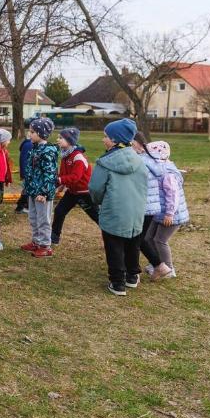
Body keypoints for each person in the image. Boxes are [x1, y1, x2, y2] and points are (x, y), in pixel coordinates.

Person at [89, 118, 158, 296]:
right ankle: (132, 276)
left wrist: (98, 200)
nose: (103, 139)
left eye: (106, 136)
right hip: (136, 212)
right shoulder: (140, 161)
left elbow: (95, 189)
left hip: (114, 211)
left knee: (114, 246)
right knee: (132, 243)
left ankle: (117, 282)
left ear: (115, 139)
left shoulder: (105, 162)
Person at [142, 141, 188, 279]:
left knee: (160, 240)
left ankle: (169, 268)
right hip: (159, 213)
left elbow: (172, 195)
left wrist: (170, 213)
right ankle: (156, 264)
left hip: (171, 215)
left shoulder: (167, 173)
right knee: (148, 238)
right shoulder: (159, 169)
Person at [132, 132, 174, 280]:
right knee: (139, 239)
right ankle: (157, 267)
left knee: (137, 239)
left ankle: (157, 267)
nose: (130, 147)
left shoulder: (140, 160)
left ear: (138, 143)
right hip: (150, 207)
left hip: (143, 206)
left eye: (132, 143)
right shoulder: (151, 159)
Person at [50, 127, 99, 245]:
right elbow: (64, 174)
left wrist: (59, 180)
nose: (58, 140)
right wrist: (60, 186)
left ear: (70, 141)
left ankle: (112, 237)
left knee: (97, 217)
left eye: (61, 138)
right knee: (59, 211)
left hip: (84, 193)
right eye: (58, 137)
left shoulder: (78, 157)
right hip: (72, 192)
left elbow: (75, 177)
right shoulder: (65, 155)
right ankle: (54, 238)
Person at [20, 118, 58, 258]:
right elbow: (32, 171)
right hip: (33, 191)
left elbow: (49, 173)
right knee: (33, 217)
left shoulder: (47, 151)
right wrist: (28, 187)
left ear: (41, 133)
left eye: (32, 132)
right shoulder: (34, 148)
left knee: (43, 219)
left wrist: (44, 192)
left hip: (43, 193)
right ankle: (36, 241)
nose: (30, 134)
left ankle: (45, 246)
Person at [15, 133, 33, 214]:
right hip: (29, 173)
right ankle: (21, 206)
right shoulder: (29, 145)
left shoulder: (29, 144)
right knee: (27, 189)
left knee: (27, 189)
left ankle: (23, 206)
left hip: (30, 172)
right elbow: (23, 160)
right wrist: (24, 174)